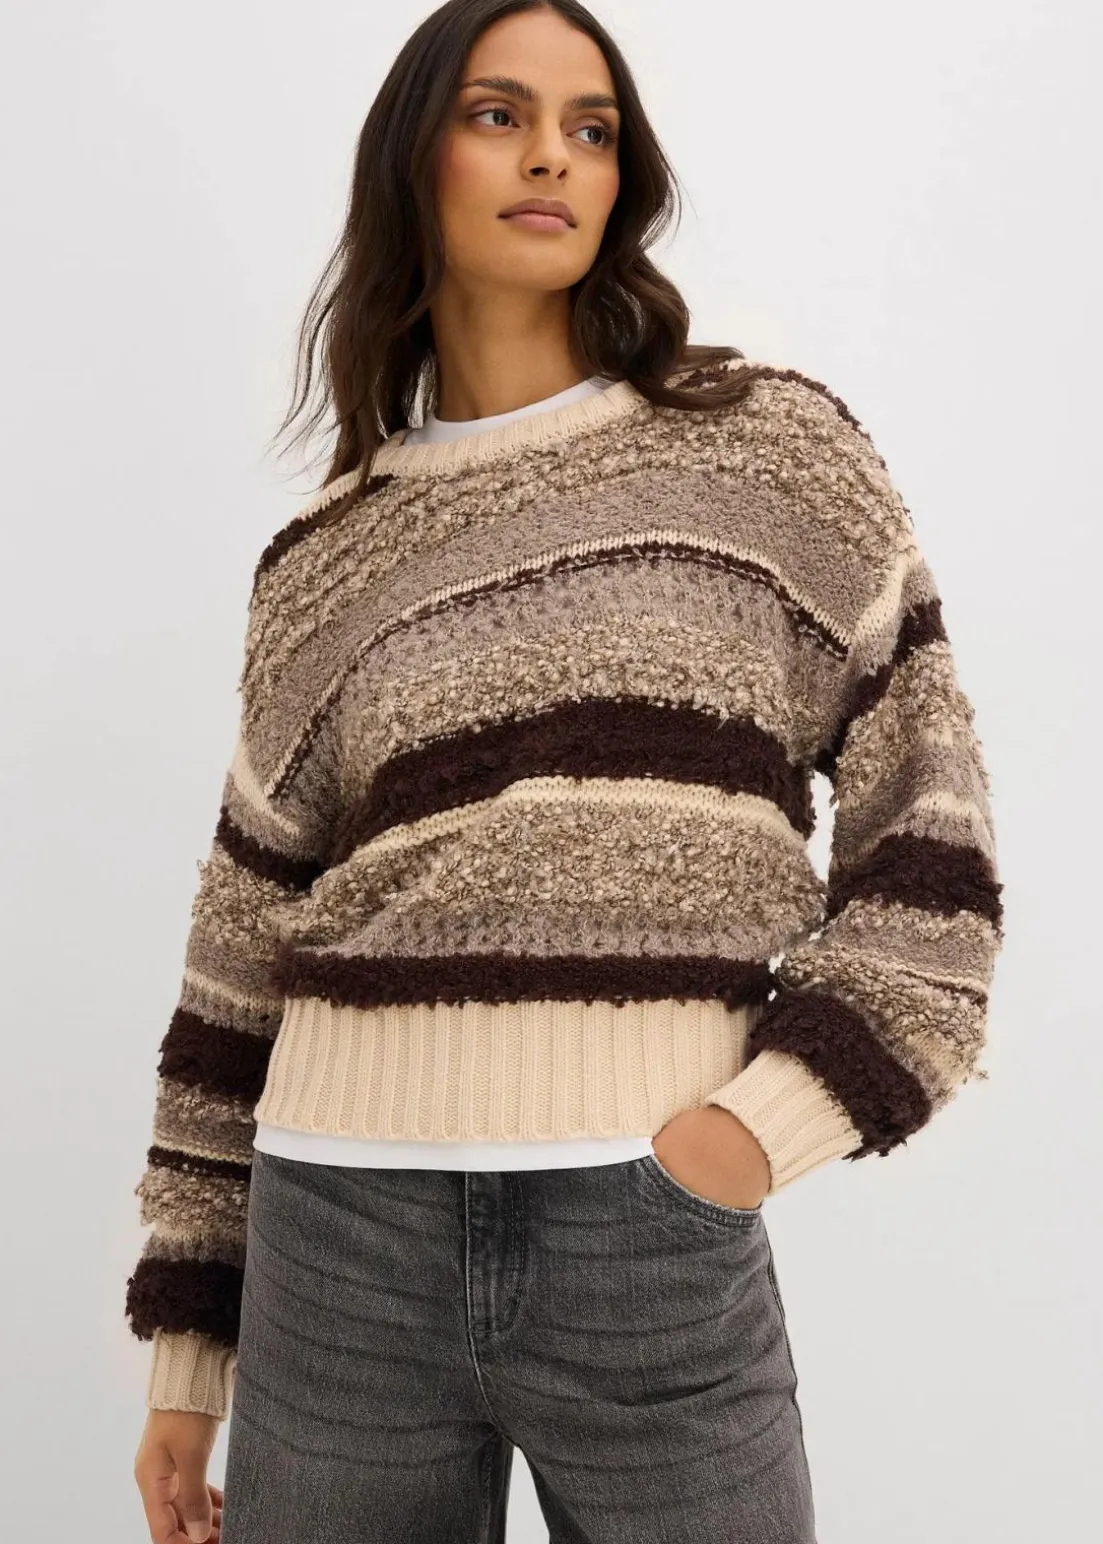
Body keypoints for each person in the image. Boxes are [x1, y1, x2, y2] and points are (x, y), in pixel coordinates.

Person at [127, 2, 1004, 1540]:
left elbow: (930, 844)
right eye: (498, 115)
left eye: (590, 129)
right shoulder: (324, 556)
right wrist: (189, 1355)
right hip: (335, 1246)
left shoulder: (768, 454)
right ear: (412, 162)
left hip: (649, 1228)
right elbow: (240, 949)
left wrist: (749, 1136)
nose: (551, 155)